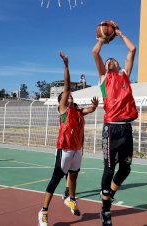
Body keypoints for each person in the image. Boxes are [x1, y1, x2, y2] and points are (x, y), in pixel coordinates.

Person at [38, 51, 99, 226]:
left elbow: (89, 110)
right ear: (62, 101)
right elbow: (66, 86)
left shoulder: (78, 111)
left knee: (73, 176)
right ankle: (43, 211)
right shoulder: (63, 109)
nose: (71, 96)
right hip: (64, 148)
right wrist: (66, 65)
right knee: (56, 179)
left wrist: (94, 106)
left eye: (72, 96)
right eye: (68, 96)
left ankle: (71, 198)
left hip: (77, 149)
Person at [92, 21, 138, 226]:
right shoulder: (103, 78)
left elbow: (132, 49)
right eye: (108, 60)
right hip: (111, 128)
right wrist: (102, 39)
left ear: (119, 66)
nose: (110, 61)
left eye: (113, 60)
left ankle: (108, 194)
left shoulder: (124, 77)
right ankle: (106, 210)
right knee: (109, 170)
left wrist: (118, 33)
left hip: (126, 127)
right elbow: (95, 53)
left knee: (126, 169)